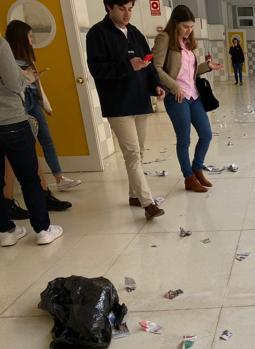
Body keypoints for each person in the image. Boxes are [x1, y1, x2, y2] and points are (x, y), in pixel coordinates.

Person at [86, 0, 165, 220]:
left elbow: (149, 63)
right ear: (108, 8)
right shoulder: (97, 34)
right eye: (121, 9)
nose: (127, 14)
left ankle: (133, 195)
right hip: (118, 104)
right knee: (132, 154)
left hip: (139, 100)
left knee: (138, 152)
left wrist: (156, 85)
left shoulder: (135, 33)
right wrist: (128, 66)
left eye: (130, 9)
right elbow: (97, 69)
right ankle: (148, 203)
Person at [0, 35, 63, 247]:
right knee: (29, 178)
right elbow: (13, 82)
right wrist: (25, 76)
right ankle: (43, 229)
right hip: (11, 120)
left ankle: (5, 231)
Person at [152, 5, 223, 193]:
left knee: (206, 135)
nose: (189, 30)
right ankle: (188, 177)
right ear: (175, 23)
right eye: (185, 26)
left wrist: (207, 66)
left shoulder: (186, 43)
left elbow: (189, 73)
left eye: (191, 27)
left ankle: (197, 168)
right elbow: (156, 69)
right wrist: (174, 87)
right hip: (177, 98)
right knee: (184, 140)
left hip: (194, 96)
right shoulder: (164, 39)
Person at [5, 20, 82, 193]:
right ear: (20, 38)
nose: (32, 40)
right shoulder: (7, 58)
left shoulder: (28, 59)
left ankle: (59, 178)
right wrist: (28, 78)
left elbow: (38, 86)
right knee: (27, 144)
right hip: (19, 104)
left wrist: (46, 105)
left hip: (33, 100)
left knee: (46, 139)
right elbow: (14, 85)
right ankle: (35, 185)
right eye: (29, 36)